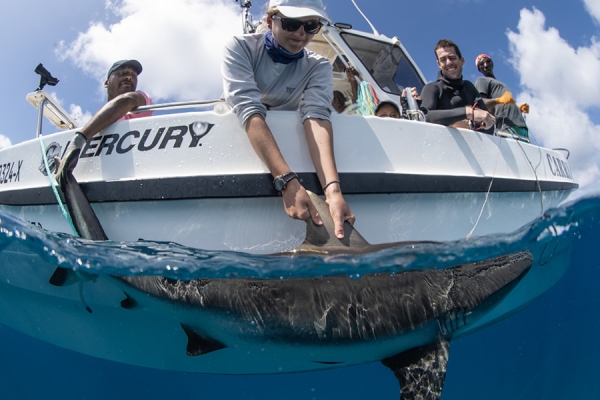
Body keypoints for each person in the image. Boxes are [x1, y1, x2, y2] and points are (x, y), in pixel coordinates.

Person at [222, 0, 355, 239]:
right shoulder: (239, 47)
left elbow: (316, 116)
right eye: (292, 23)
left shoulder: (319, 66)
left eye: (311, 25)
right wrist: (286, 180)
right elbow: (249, 108)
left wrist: (333, 191)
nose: (301, 33)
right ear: (270, 21)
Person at [55, 59, 153, 182]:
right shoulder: (96, 119)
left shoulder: (141, 98)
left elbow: (127, 100)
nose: (128, 77)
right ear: (107, 82)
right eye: (122, 73)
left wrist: (78, 141)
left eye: (133, 75)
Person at [420, 39, 495, 133]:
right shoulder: (432, 88)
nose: (448, 63)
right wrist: (468, 113)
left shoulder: (469, 87)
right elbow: (424, 116)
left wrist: (471, 124)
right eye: (443, 60)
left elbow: (489, 122)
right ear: (439, 64)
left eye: (452, 58)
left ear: (462, 60)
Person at [474, 54, 529, 140]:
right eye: (481, 64)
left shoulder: (500, 83)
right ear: (479, 69)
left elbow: (502, 107)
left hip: (521, 127)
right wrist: (498, 100)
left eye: (488, 61)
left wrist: (518, 110)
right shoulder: (482, 80)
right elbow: (481, 105)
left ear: (492, 62)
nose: (485, 65)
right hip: (506, 128)